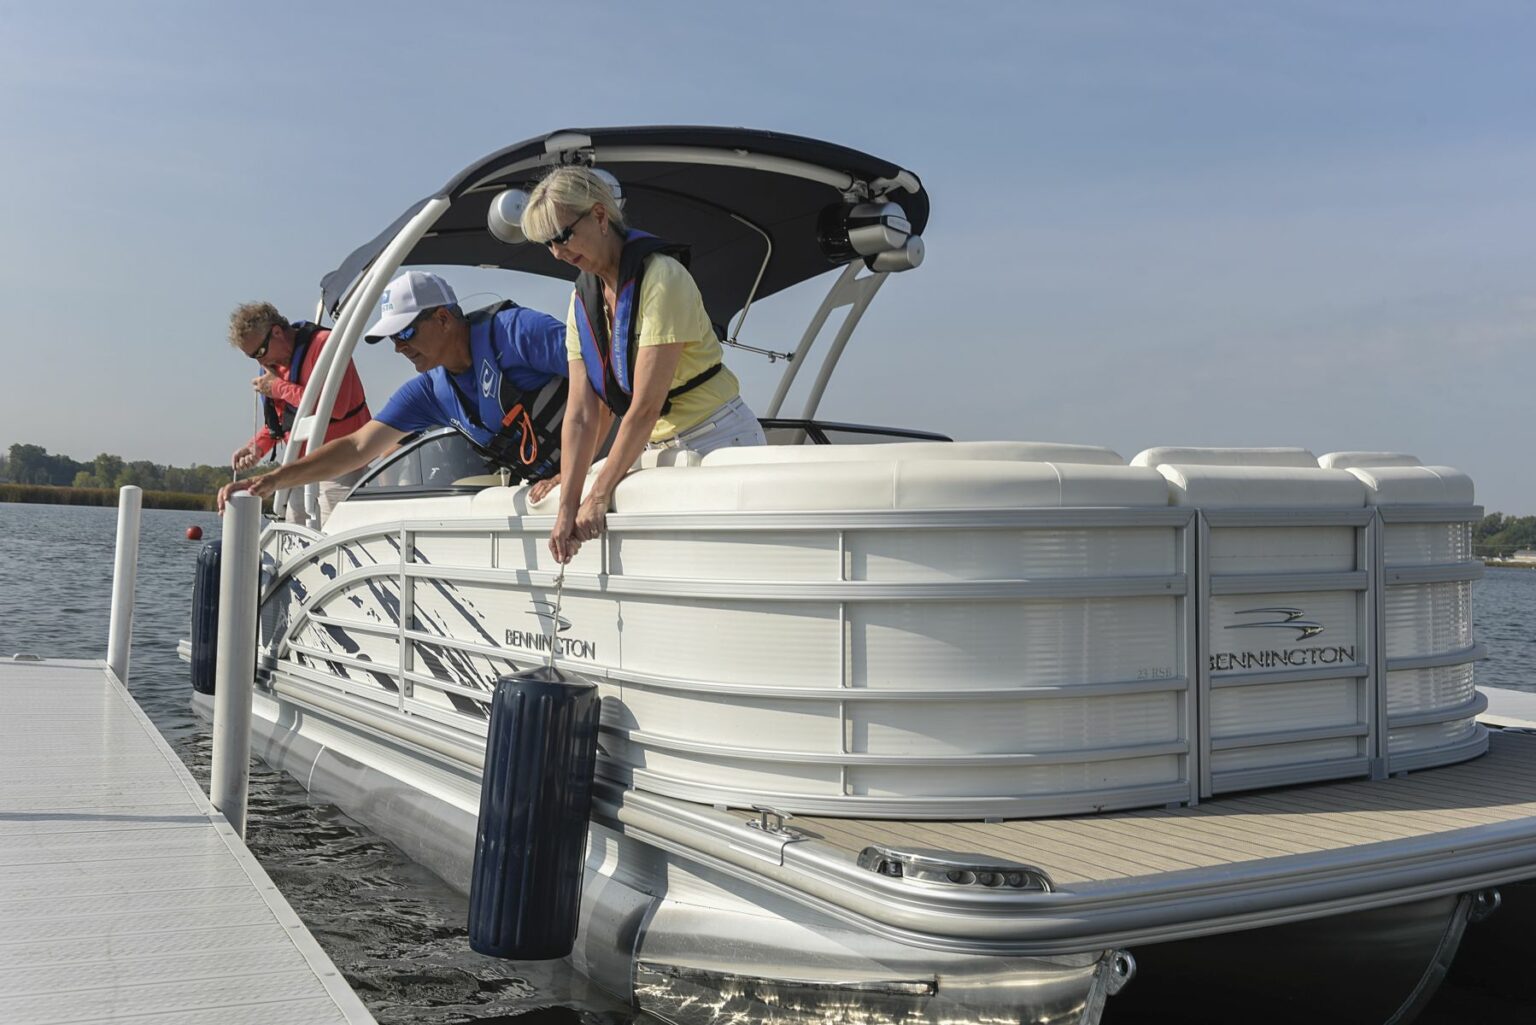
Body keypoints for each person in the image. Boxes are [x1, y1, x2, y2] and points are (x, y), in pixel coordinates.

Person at [520, 167, 765, 564]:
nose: (557, 253)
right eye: (547, 244)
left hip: (716, 438)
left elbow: (646, 406)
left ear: (600, 216)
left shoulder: (662, 278)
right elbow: (582, 414)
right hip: (652, 445)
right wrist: (567, 504)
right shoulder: (580, 301)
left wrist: (598, 494)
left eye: (562, 236)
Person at [219, 271, 568, 517]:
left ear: (444, 318)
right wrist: (270, 480)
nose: (399, 347)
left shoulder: (518, 333)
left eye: (406, 333)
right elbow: (358, 447)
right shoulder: (431, 391)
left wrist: (577, 470)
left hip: (604, 472)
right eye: (391, 338)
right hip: (550, 493)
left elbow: (609, 378)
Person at [228, 302, 372, 524]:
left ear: (276, 332)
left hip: (341, 464)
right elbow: (284, 422)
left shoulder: (325, 345)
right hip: (300, 470)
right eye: (253, 357)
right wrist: (256, 447)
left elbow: (336, 407)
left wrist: (279, 388)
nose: (260, 361)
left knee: (335, 536)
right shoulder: (275, 368)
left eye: (260, 352)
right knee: (296, 540)